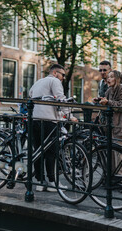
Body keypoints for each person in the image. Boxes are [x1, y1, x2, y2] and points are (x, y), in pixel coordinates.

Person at [29, 64, 77, 192]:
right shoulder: (54, 81)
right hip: (49, 120)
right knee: (51, 152)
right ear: (55, 73)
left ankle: (40, 182)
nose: (63, 78)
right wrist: (69, 115)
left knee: (38, 151)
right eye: (62, 74)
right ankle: (52, 182)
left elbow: (30, 94)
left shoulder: (38, 82)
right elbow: (61, 99)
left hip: (35, 119)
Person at [93, 70, 122, 174]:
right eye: (108, 77)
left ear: (117, 78)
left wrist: (108, 102)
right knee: (113, 154)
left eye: (111, 77)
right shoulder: (109, 90)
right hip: (112, 126)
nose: (108, 79)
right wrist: (99, 100)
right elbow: (107, 101)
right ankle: (116, 179)